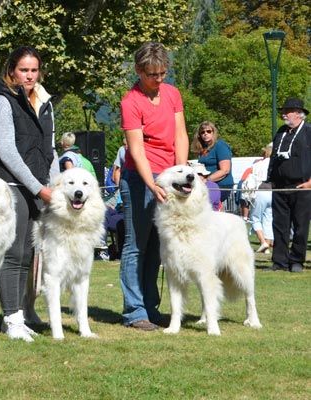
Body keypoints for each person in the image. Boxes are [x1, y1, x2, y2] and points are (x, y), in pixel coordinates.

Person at [0, 45, 54, 341]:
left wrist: (52, 186)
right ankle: (10, 319)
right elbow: (8, 151)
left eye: (34, 70)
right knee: (13, 254)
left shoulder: (43, 101)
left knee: (27, 255)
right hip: (10, 185)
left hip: (35, 187)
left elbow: (47, 150)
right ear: (11, 70)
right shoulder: (2, 100)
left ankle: (16, 315)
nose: (29, 75)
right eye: (24, 70)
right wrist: (39, 188)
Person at [118, 42, 188, 331]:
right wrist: (152, 184)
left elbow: (181, 134)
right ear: (138, 71)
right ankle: (134, 311)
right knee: (136, 245)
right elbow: (136, 149)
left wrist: (180, 173)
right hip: (140, 178)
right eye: (152, 75)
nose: (159, 80)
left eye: (162, 73)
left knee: (158, 246)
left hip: (169, 176)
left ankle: (151, 306)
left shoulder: (172, 94)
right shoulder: (130, 102)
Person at [268, 98, 311, 273]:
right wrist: (271, 178)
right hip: (280, 186)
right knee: (279, 225)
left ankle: (297, 260)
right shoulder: (281, 132)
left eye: (288, 110)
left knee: (300, 225)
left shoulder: (308, 131)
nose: (284, 113)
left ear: (299, 113)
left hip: (301, 186)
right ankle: (279, 261)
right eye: (283, 110)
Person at [191, 121, 234, 209]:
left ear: (213, 132)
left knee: (210, 209)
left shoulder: (220, 145)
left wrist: (206, 180)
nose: (205, 134)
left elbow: (225, 170)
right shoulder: (204, 149)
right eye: (202, 132)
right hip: (207, 184)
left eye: (208, 131)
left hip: (220, 185)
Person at [246, 144, 274, 253]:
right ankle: (267, 243)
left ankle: (263, 242)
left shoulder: (258, 164)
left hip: (261, 191)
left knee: (255, 218)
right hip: (273, 192)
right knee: (268, 218)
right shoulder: (276, 164)